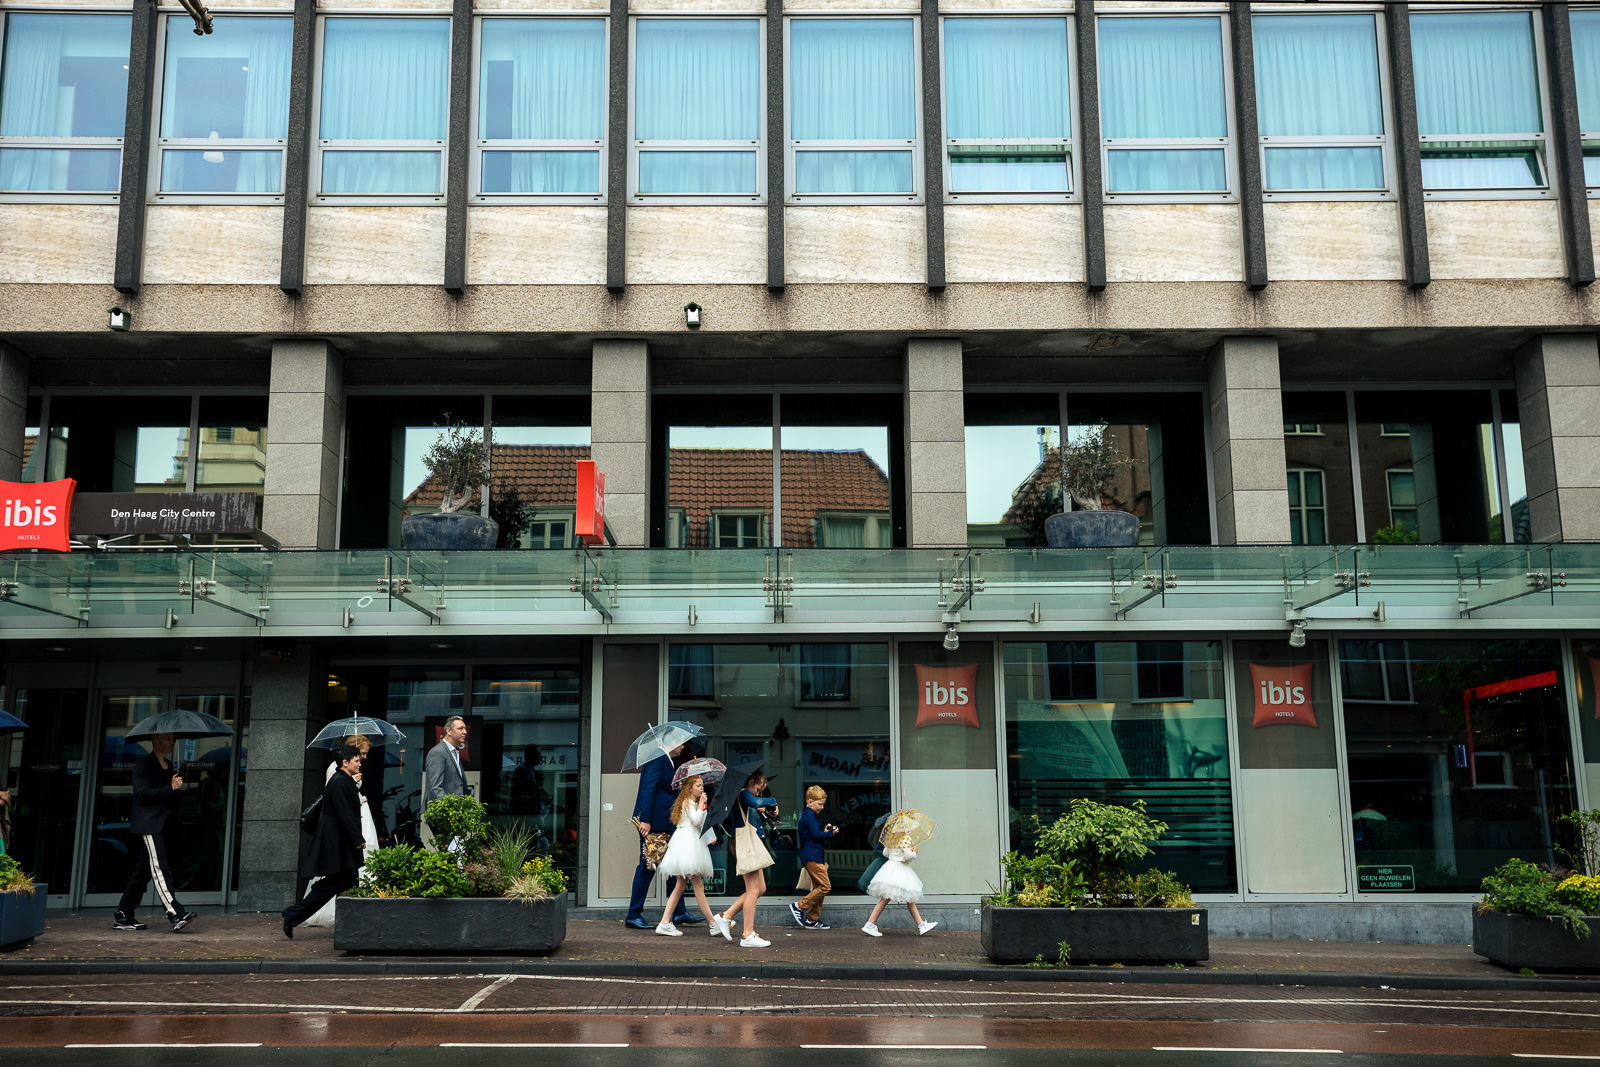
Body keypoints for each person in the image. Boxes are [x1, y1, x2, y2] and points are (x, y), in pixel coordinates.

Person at [114, 732, 197, 933]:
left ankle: (123, 914)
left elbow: (168, 797)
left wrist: (176, 787)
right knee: (160, 867)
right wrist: (169, 788)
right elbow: (141, 793)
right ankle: (175, 913)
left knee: (142, 872)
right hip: (148, 824)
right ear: (156, 741)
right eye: (168, 739)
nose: (172, 742)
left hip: (163, 825)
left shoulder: (169, 766)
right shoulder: (144, 765)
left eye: (173, 739)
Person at [282, 744, 366, 939]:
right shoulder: (339, 782)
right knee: (340, 883)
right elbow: (345, 815)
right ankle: (293, 914)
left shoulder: (343, 781)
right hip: (339, 844)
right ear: (345, 763)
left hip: (341, 843)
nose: (360, 764)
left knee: (347, 883)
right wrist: (357, 839)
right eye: (356, 761)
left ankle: (352, 926)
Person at [300, 735, 381, 928]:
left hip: (357, 820)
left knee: (354, 871)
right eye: (360, 755)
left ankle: (356, 911)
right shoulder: (336, 773)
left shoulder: (353, 771)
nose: (362, 760)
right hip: (344, 828)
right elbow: (335, 796)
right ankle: (345, 912)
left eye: (364, 756)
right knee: (342, 874)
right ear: (347, 759)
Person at [626, 742, 698, 929]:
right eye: (681, 743)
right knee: (647, 866)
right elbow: (647, 790)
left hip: (664, 822)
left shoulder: (665, 759)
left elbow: (661, 789)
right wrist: (646, 820)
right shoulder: (657, 759)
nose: (683, 748)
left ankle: (679, 911)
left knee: (673, 866)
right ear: (671, 742)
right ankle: (633, 914)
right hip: (654, 824)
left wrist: (677, 786)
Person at [653, 775, 730, 939]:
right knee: (698, 885)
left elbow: (702, 823)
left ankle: (665, 922)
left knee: (681, 886)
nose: (701, 788)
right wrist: (702, 805)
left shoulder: (693, 803)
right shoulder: (688, 801)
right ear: (689, 789)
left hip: (691, 842)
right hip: (687, 844)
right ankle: (713, 924)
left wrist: (710, 836)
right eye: (698, 785)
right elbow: (695, 820)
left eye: (702, 785)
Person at [713, 769, 778, 949]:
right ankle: (747, 934)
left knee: (760, 888)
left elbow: (756, 803)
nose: (759, 792)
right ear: (750, 782)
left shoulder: (744, 796)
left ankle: (726, 917)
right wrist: (773, 802)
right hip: (746, 844)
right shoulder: (742, 794)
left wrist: (769, 810)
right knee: (753, 889)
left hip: (750, 843)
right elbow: (755, 801)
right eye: (758, 787)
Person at [862, 840, 938, 937]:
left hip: (890, 867)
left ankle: (921, 925)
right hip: (900, 869)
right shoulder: (904, 838)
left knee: (891, 898)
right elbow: (908, 856)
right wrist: (914, 851)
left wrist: (897, 853)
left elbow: (885, 853)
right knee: (904, 898)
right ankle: (869, 924)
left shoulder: (891, 837)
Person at [789, 785, 837, 930]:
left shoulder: (809, 816)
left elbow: (814, 835)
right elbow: (816, 836)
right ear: (809, 802)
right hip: (812, 856)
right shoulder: (809, 816)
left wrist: (824, 831)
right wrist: (830, 834)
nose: (822, 807)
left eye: (823, 804)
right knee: (825, 886)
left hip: (813, 855)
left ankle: (812, 920)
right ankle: (798, 906)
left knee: (818, 887)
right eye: (819, 804)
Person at [423, 715, 470, 807]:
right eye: (460, 728)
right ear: (448, 731)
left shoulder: (454, 752)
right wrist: (448, 811)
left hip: (455, 813)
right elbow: (435, 787)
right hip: (443, 815)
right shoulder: (438, 752)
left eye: (465, 728)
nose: (465, 732)